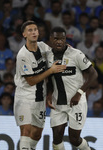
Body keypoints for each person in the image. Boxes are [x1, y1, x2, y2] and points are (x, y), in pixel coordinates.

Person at [14, 21, 66, 150]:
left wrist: (65, 48)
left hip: (40, 97)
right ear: (24, 34)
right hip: (24, 97)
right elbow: (31, 81)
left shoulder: (43, 47)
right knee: (25, 130)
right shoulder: (22, 55)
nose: (33, 32)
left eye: (35, 29)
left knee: (37, 134)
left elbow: (55, 53)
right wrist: (50, 71)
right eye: (30, 30)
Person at [46, 26, 98, 150]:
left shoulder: (76, 54)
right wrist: (49, 94)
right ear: (51, 39)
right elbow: (49, 78)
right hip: (58, 103)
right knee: (57, 138)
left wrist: (79, 93)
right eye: (56, 38)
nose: (59, 41)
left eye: (62, 39)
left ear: (65, 40)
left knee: (74, 139)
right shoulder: (47, 56)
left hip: (76, 103)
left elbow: (93, 74)